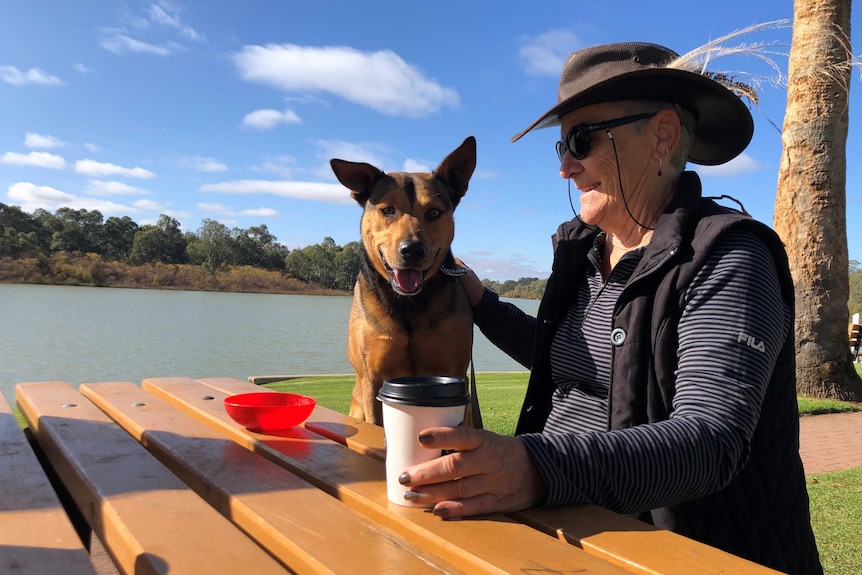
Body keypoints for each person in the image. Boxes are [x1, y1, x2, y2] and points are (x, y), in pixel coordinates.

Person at [396, 41, 823, 574]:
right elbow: (570, 361)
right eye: (561, 148)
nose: (566, 168)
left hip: (681, 552)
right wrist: (481, 301)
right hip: (562, 529)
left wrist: (533, 467)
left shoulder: (728, 256)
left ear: (662, 136)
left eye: (582, 139)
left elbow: (712, 440)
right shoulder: (582, 249)